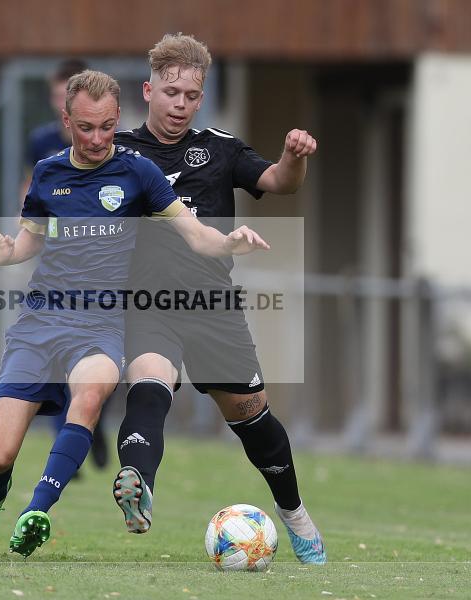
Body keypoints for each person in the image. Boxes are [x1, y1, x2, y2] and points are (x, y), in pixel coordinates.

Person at [0, 69, 270, 558]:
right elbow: (30, 241)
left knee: (88, 400)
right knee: (0, 456)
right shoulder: (48, 173)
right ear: (66, 121)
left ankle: (36, 512)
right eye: (86, 127)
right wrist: (6, 253)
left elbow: (195, 234)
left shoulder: (138, 173)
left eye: (108, 126)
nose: (98, 138)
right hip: (42, 322)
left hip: (103, 324)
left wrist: (228, 241)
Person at [111, 33, 327, 564]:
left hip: (212, 308)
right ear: (149, 90)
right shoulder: (120, 155)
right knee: (149, 384)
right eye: (171, 92)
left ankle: (296, 515)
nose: (181, 104)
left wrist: (293, 157)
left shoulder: (222, 147)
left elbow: (281, 182)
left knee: (252, 419)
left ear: (200, 96)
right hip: (147, 305)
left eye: (191, 94)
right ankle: (138, 482)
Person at [24, 58, 111, 471]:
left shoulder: (108, 148)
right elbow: (31, 190)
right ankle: (66, 436)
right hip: (57, 264)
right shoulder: (42, 145)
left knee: (99, 357)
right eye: (57, 95)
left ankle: (92, 424)